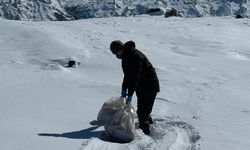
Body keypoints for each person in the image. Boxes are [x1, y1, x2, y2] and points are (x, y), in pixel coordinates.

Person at [110, 40, 160, 135]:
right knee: (143, 109)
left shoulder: (135, 57)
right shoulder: (126, 56)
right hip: (141, 85)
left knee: (143, 112)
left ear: (121, 49)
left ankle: (145, 135)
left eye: (116, 53)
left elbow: (134, 77)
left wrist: (130, 94)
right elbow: (127, 75)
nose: (116, 56)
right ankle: (149, 126)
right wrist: (124, 89)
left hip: (150, 85)